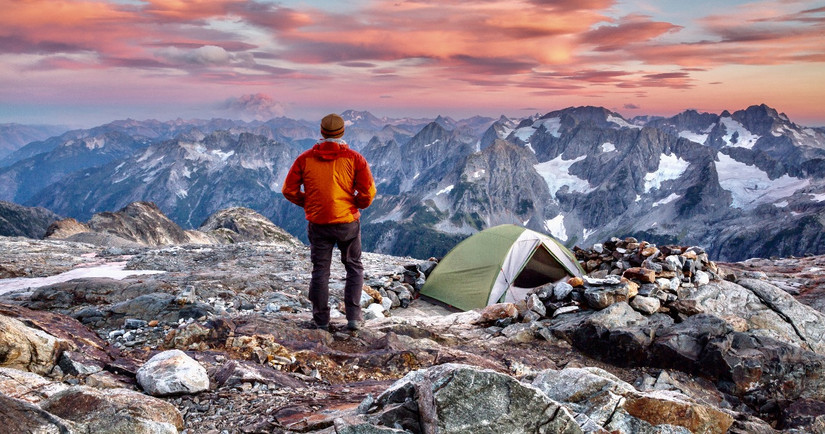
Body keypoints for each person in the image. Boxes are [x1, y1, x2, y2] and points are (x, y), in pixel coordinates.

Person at [282, 113, 376, 331]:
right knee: (353, 266)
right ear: (342, 132)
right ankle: (353, 318)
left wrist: (309, 203)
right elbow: (368, 193)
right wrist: (355, 203)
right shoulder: (355, 159)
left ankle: (321, 320)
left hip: (318, 223)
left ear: (322, 132)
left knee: (320, 270)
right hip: (347, 222)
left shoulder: (304, 159)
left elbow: (288, 190)